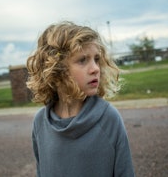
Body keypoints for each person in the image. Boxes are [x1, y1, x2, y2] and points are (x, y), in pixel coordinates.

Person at [26, 21, 135, 177]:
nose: (95, 68)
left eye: (96, 59)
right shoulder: (40, 122)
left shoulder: (109, 118)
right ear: (57, 69)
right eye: (82, 60)